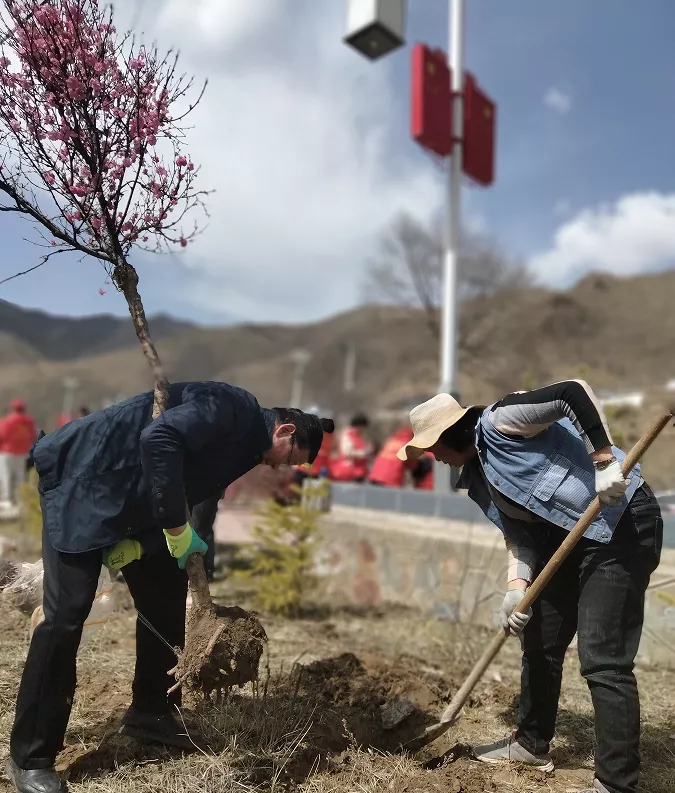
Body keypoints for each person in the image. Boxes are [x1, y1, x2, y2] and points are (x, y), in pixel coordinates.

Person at [7, 381, 333, 793]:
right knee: (65, 617)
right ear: (285, 432)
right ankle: (29, 757)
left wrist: (150, 544)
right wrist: (177, 530)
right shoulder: (229, 407)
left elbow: (196, 489)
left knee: (164, 595)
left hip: (132, 503)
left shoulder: (246, 447)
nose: (280, 467)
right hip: (86, 481)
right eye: (290, 459)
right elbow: (158, 437)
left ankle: (152, 712)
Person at [397, 381, 662, 793]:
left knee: (602, 657)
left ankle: (615, 781)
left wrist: (605, 461)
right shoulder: (477, 480)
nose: (434, 457)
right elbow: (519, 537)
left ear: (452, 434)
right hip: (571, 540)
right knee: (539, 637)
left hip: (622, 526)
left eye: (433, 447)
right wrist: (515, 588)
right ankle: (532, 742)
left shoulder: (503, 421)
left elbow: (572, 392)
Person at [0, 398, 37, 506]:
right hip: (22, 452)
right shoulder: (29, 421)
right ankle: (21, 499)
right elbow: (33, 436)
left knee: (6, 475)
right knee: (20, 476)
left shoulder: (8, 420)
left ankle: (7, 499)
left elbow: (2, 435)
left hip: (7, 452)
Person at [331, 412, 372, 482]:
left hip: (360, 471)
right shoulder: (347, 435)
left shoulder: (360, 436)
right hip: (350, 470)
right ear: (359, 425)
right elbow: (347, 452)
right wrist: (363, 453)